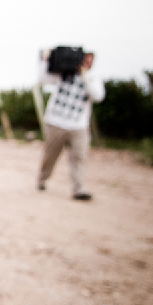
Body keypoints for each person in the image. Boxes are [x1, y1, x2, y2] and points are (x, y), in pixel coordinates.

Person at [37, 48, 105, 201]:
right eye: (85, 60)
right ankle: (42, 179)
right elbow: (42, 79)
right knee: (50, 155)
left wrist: (84, 76)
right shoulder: (63, 74)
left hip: (79, 125)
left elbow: (97, 96)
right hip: (56, 122)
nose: (87, 63)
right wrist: (45, 60)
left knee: (79, 157)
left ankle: (78, 189)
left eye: (90, 61)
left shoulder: (93, 79)